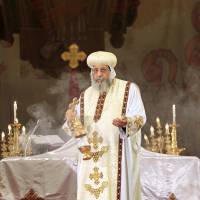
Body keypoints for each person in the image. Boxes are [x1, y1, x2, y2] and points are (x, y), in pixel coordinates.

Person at [63, 51, 146, 200]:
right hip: (89, 161)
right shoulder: (85, 96)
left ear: (111, 71)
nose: (99, 74)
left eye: (103, 70)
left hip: (116, 155)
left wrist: (126, 122)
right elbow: (79, 133)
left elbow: (140, 117)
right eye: (95, 70)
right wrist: (71, 119)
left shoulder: (128, 89)